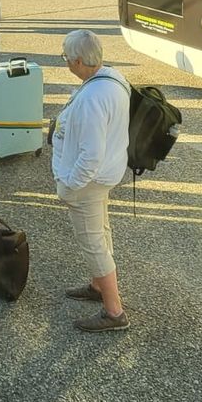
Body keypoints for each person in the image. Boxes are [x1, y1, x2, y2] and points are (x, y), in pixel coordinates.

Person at [51, 29, 131, 333]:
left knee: (92, 241)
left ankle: (114, 312)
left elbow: (89, 156)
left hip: (89, 182)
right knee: (102, 231)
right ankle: (99, 286)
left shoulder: (91, 100)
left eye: (67, 59)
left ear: (80, 61)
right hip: (107, 174)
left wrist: (69, 185)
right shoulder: (113, 78)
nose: (67, 64)